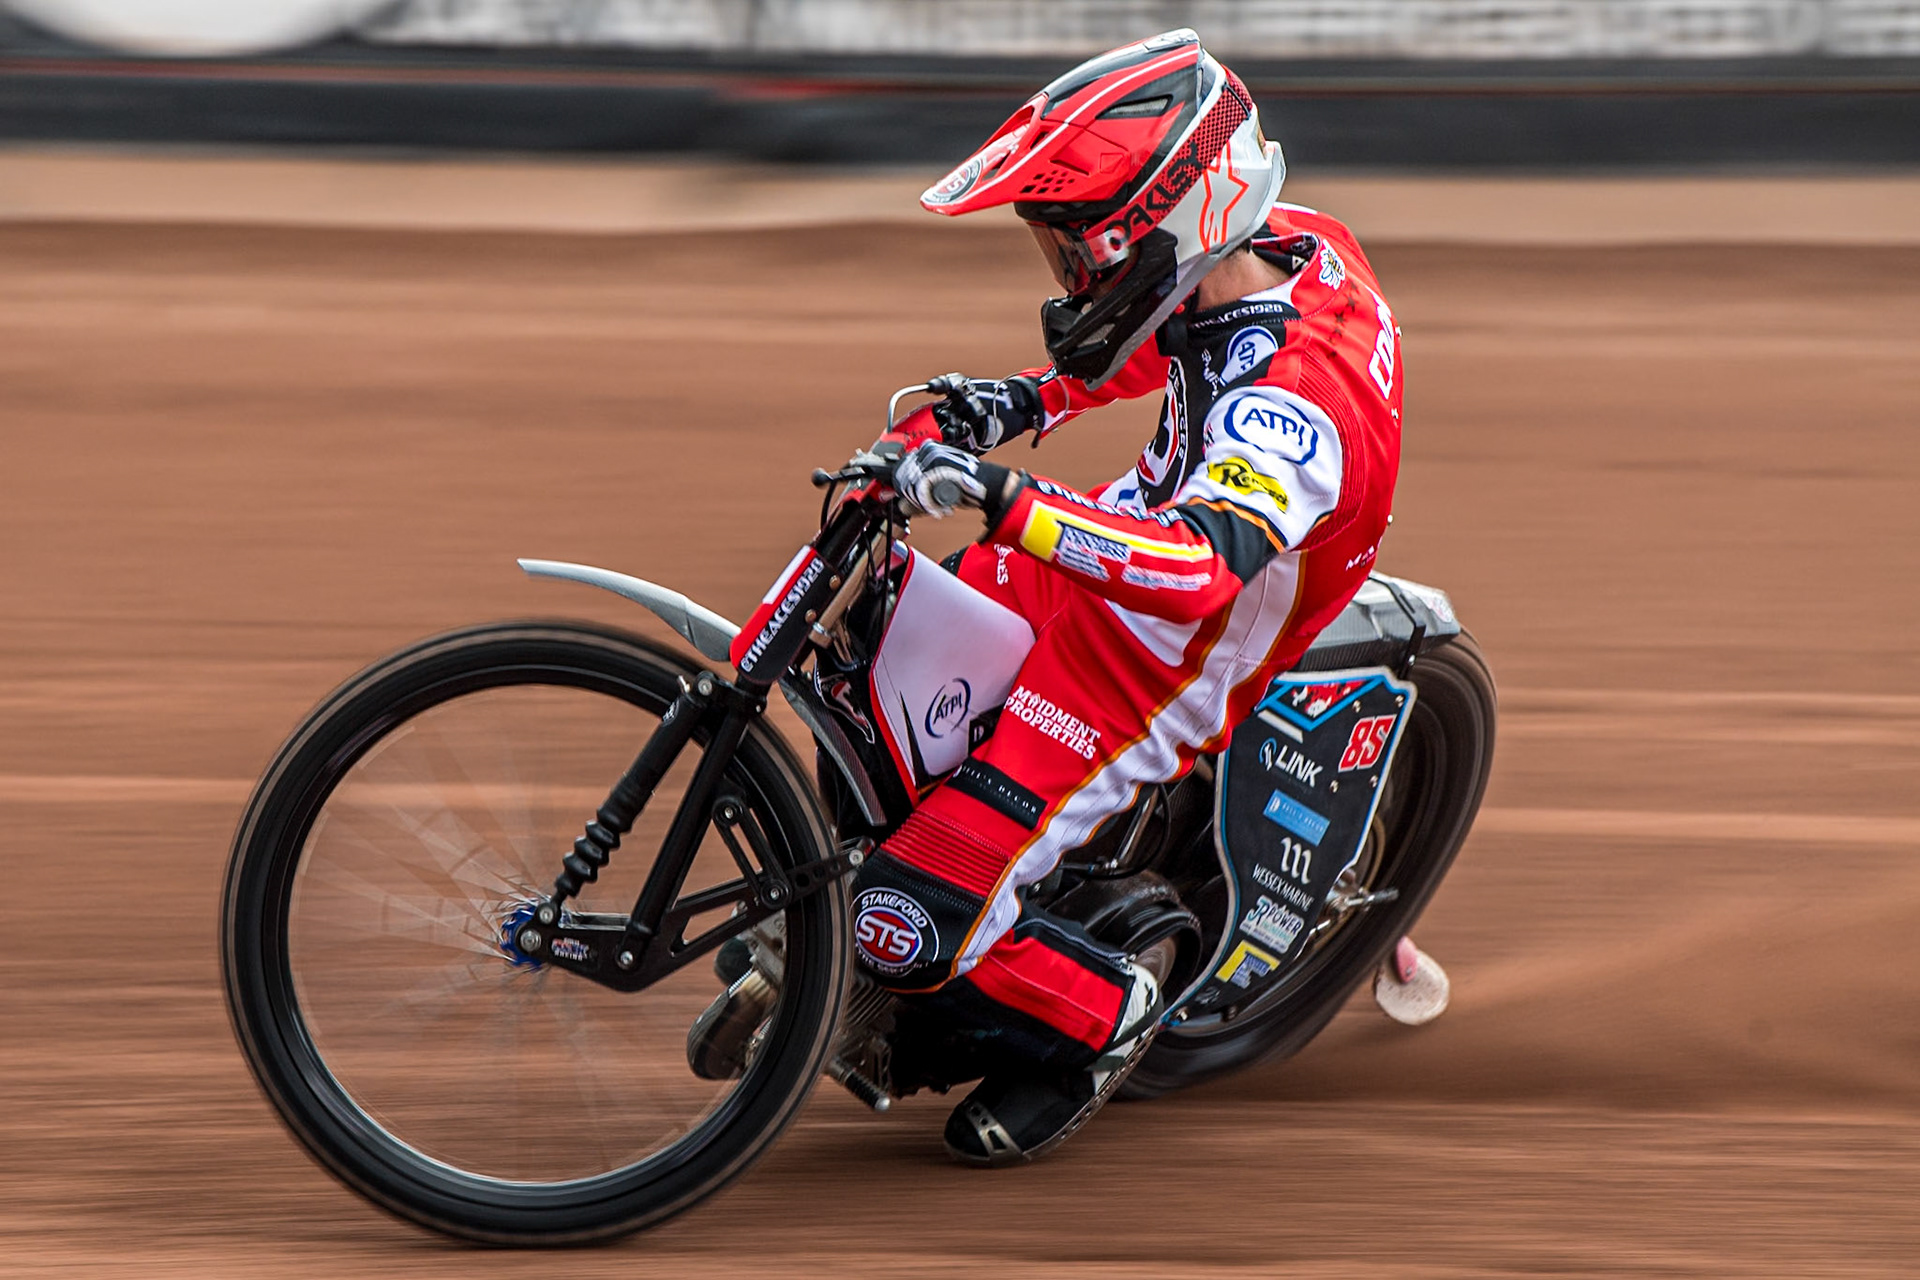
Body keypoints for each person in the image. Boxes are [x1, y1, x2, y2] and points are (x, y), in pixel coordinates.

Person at [848, 28, 1403, 1165]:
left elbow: (1199, 573)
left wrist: (1006, 498)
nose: (1062, 279)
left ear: (1164, 228)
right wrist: (1013, 405)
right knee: (869, 678)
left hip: (1155, 665)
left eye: (1073, 254)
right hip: (1106, 551)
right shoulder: (1290, 248)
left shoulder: (1293, 410)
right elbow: (1165, 340)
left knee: (904, 914)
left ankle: (1104, 1015)